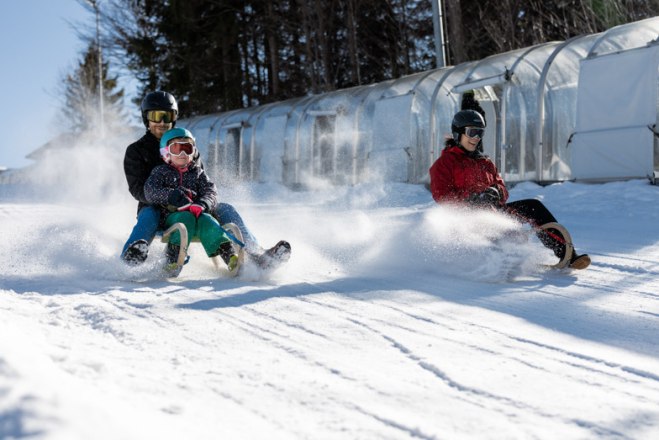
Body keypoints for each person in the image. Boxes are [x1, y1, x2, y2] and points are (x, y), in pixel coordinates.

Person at [121, 91, 291, 268]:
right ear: (146, 118)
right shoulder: (136, 151)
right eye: (156, 116)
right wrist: (168, 197)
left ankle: (257, 254)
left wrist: (202, 202)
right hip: (156, 207)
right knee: (149, 214)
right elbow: (137, 189)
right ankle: (133, 255)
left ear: (174, 118)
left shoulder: (187, 147)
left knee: (225, 208)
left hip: (191, 207)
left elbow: (200, 180)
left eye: (167, 116)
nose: (162, 122)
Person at [429, 109, 590, 270]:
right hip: (466, 219)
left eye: (480, 133)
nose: (476, 138)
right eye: (472, 132)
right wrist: (473, 198)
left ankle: (567, 254)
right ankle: (497, 260)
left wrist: (497, 192)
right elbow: (442, 196)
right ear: (458, 133)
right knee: (498, 236)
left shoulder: (485, 162)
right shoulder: (444, 164)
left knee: (533, 206)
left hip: (494, 212)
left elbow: (502, 188)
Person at [144, 127, 237, 276]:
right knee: (184, 220)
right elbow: (150, 191)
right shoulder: (160, 172)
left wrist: (203, 204)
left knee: (209, 220)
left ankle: (230, 256)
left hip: (198, 214)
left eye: (187, 149)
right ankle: (172, 259)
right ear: (166, 152)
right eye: (176, 149)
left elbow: (210, 191)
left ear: (193, 152)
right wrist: (172, 196)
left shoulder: (198, 173)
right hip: (172, 215)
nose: (182, 154)